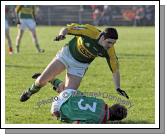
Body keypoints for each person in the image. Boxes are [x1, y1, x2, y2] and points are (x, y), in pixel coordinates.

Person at [20, 23, 129, 102]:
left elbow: (115, 70)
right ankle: (29, 91)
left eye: (113, 43)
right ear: (103, 37)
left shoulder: (109, 51)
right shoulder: (89, 31)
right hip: (66, 55)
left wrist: (118, 87)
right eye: (109, 42)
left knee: (67, 95)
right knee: (41, 81)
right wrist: (62, 34)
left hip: (79, 67)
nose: (111, 45)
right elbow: (68, 28)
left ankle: (54, 81)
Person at [32, 74, 128, 124]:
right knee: (63, 98)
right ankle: (51, 81)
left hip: (69, 95)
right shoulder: (97, 121)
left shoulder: (101, 102)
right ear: (114, 120)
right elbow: (77, 123)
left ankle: (50, 79)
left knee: (68, 91)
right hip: (58, 108)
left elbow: (85, 98)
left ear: (112, 106)